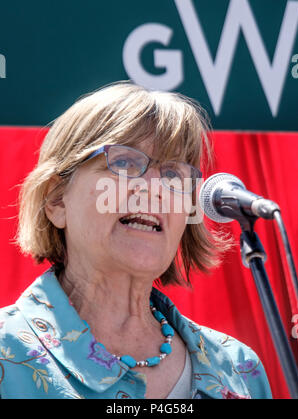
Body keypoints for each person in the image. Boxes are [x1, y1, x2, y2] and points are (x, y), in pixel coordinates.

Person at [0, 82, 272, 399]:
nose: (155, 188)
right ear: (57, 201)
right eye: (124, 163)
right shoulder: (8, 355)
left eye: (173, 175)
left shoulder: (239, 370)